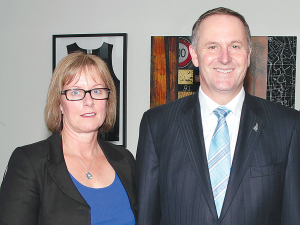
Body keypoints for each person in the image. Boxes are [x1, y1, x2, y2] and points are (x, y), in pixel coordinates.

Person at [136, 7, 300, 225]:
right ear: (194, 55)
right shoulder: (156, 124)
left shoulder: (288, 125)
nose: (225, 58)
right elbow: (147, 217)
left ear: (249, 56)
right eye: (213, 46)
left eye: (235, 46)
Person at [0, 52, 137, 225]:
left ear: (108, 100)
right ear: (59, 103)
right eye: (75, 92)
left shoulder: (125, 160)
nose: (89, 101)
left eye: (97, 91)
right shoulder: (30, 162)